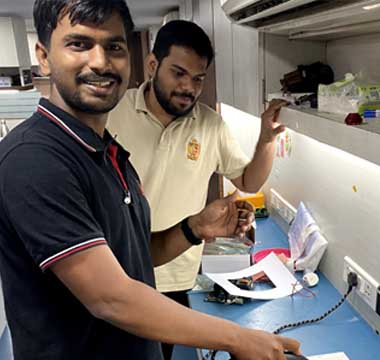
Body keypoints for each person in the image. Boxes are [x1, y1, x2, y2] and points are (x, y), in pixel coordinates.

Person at [0, 1, 301, 359]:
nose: (100, 62)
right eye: (79, 44)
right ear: (44, 57)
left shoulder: (106, 152)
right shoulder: (34, 159)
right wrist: (238, 338)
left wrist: (195, 228)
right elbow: (109, 297)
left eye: (114, 47)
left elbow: (135, 255)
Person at [108, 19, 288, 359]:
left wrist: (266, 138)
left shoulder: (209, 124)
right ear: (152, 65)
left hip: (175, 272)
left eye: (198, 78)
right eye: (178, 73)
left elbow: (248, 182)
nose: (188, 87)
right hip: (117, 269)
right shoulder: (114, 113)